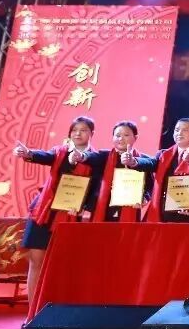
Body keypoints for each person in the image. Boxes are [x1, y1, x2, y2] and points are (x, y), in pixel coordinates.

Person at [14, 116, 101, 312]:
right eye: (74, 130)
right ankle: (33, 313)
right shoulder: (60, 152)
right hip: (44, 213)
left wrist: (85, 206)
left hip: (71, 216)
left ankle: (55, 311)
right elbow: (44, 156)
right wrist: (28, 153)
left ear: (91, 134)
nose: (78, 133)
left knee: (62, 266)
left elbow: (96, 189)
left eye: (83, 130)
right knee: (36, 261)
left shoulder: (96, 159)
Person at [145, 118, 189, 223]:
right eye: (177, 130)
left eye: (185, 130)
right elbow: (150, 163)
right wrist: (134, 161)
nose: (179, 133)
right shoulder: (163, 155)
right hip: (164, 217)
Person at [86, 121, 157, 223]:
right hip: (104, 211)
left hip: (131, 210)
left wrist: (145, 198)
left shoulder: (143, 160)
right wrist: (82, 156)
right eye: (117, 135)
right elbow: (90, 157)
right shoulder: (104, 156)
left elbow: (151, 186)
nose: (121, 138)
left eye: (126, 135)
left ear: (135, 137)